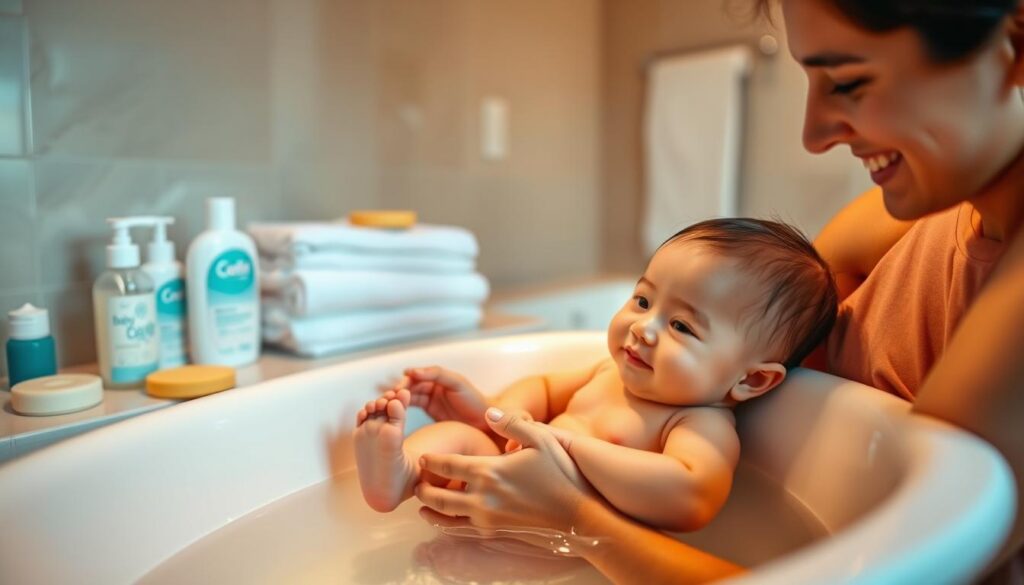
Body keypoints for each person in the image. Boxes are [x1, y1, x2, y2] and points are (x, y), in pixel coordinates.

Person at [411, 1, 1024, 583]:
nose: (814, 133)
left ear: (1013, 48)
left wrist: (572, 516)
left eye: (847, 82)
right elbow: (744, 315)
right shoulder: (909, 217)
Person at [354, 218, 837, 533]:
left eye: (682, 326)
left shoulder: (695, 424)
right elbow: (542, 390)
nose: (644, 328)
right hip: (499, 499)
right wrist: (495, 413)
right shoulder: (609, 372)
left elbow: (692, 494)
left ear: (751, 381)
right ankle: (401, 473)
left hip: (559, 536)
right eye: (644, 300)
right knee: (457, 435)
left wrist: (566, 448)